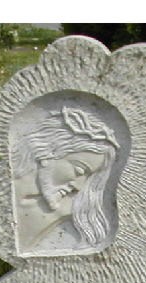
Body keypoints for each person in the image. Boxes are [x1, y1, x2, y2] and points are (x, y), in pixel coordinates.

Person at [10, 104, 122, 255]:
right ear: (47, 152)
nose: (79, 186)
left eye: (88, 177)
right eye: (79, 170)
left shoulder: (61, 213)